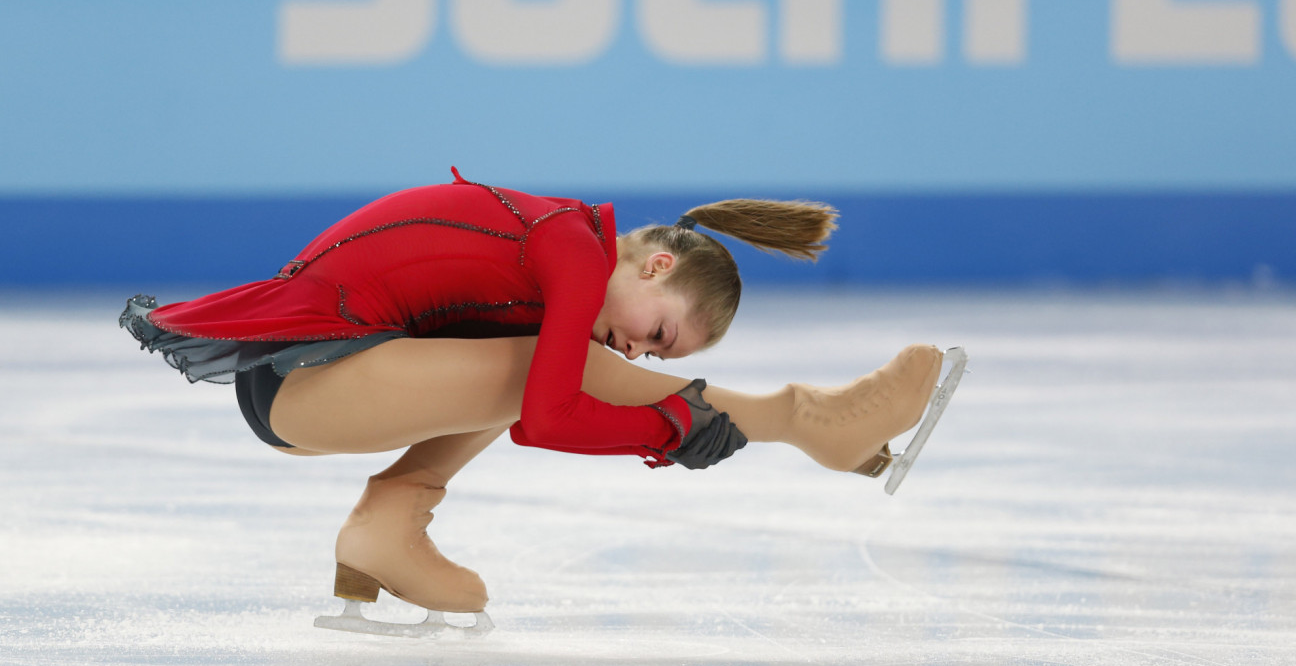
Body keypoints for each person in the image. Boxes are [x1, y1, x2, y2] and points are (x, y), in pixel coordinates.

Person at [120, 167, 946, 625]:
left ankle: (386, 525)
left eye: (659, 355)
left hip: (320, 380)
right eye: (659, 336)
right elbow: (546, 419)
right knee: (556, 365)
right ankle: (807, 419)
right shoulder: (575, 253)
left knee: (555, 353)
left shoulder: (569, 260)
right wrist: (669, 422)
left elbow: (541, 397)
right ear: (655, 265)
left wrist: (665, 420)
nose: (639, 351)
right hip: (304, 376)